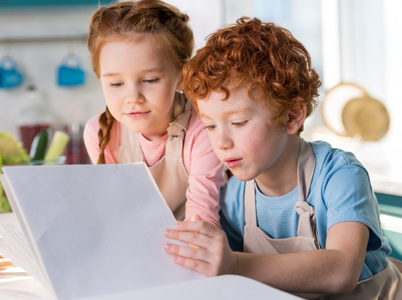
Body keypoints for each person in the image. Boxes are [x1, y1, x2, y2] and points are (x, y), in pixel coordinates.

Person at [163, 17, 402, 299]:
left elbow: (342, 269)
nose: (221, 142)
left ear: (292, 116)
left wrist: (235, 264)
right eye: (210, 126)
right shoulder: (234, 197)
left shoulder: (340, 175)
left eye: (238, 122)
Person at [83, 0, 225, 226]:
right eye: (116, 84)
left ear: (181, 75)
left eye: (150, 80)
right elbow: (117, 216)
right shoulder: (99, 133)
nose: (133, 97)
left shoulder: (203, 130)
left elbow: (202, 222)